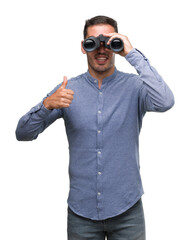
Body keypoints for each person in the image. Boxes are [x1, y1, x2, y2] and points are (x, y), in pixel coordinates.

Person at [16, 15, 174, 240]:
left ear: (117, 44)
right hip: (82, 214)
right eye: (93, 42)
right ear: (83, 47)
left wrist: (131, 53)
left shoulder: (135, 87)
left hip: (127, 210)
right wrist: (45, 105)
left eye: (108, 41)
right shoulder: (67, 90)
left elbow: (165, 101)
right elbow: (23, 134)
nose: (101, 49)